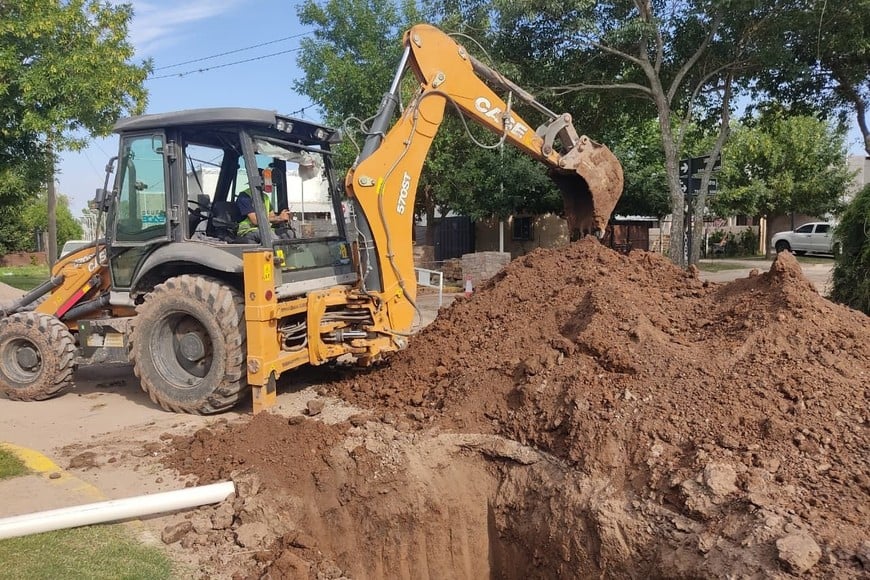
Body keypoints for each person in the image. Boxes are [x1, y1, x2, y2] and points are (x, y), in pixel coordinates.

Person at [236, 169, 295, 243]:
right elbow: (255, 220)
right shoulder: (245, 196)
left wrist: (282, 217)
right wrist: (279, 217)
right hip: (248, 230)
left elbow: (272, 217)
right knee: (270, 236)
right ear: (259, 180)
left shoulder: (265, 197)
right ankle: (278, 254)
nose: (271, 183)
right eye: (268, 180)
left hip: (265, 229)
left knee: (289, 233)